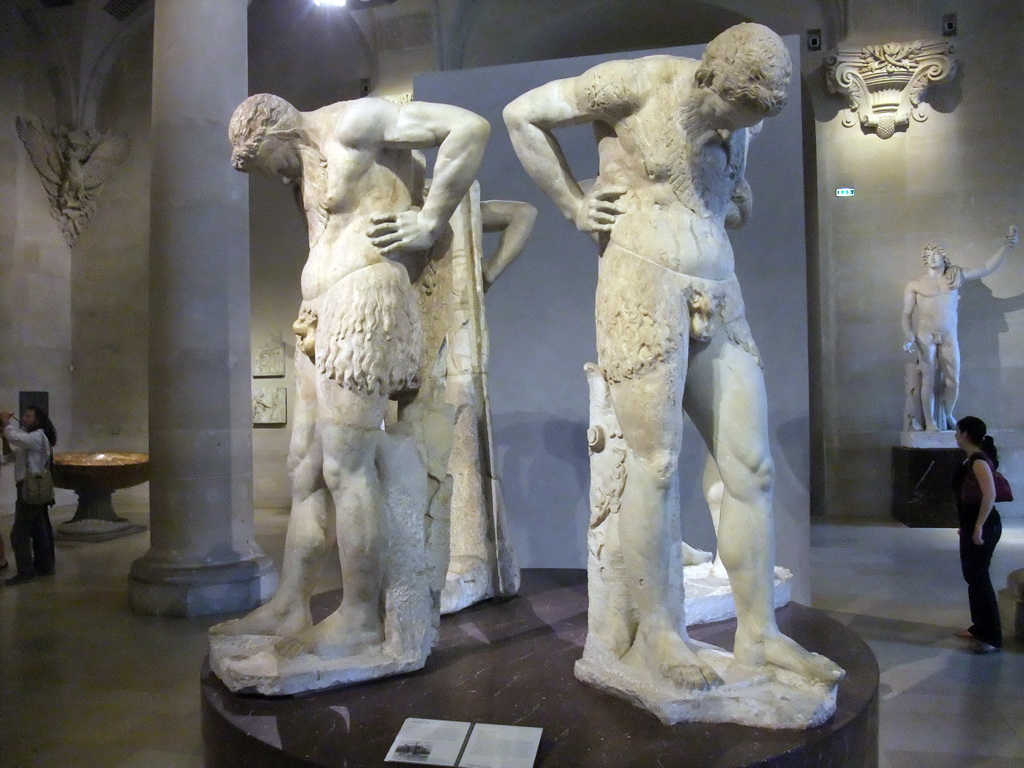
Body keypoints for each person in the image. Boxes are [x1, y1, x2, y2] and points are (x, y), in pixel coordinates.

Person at [504, 23, 842, 689]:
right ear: (709, 78)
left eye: (745, 124)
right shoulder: (635, 85)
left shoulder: (746, 117)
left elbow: (728, 195)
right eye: (729, 115)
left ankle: (759, 635)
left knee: (752, 468)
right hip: (641, 281)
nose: (731, 131)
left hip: (720, 290)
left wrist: (732, 193)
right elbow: (524, 114)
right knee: (654, 466)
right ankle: (661, 632)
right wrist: (574, 203)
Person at [210, 93, 488, 661]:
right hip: (318, 310)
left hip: (365, 300)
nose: (277, 178)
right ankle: (292, 602)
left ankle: (360, 618)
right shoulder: (307, 168)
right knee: (303, 466)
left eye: (269, 165)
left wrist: (430, 218)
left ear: (275, 133)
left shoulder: (356, 123)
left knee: (346, 464)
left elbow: (469, 127)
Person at [901, 227, 1018, 432]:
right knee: (927, 378)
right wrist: (909, 335)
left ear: (943, 255)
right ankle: (930, 422)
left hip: (948, 333)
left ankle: (946, 414)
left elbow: (987, 267)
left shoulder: (955, 275)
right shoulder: (915, 284)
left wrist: (1006, 247)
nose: (931, 258)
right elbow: (906, 314)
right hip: (925, 333)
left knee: (953, 380)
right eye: (927, 256)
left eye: (935, 253)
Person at [951, 416, 1003, 653]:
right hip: (972, 525)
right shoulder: (971, 459)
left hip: (985, 527)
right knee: (972, 576)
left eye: (957, 430)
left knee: (980, 578)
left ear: (965, 434)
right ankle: (979, 627)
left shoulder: (979, 461)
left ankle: (992, 637)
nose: (955, 434)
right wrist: (967, 524)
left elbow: (989, 495)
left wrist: (979, 526)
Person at [1, 406, 57, 585]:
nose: (24, 418)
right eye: (24, 415)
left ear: (39, 420)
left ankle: (25, 572)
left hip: (31, 489)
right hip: (32, 489)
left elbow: (15, 437)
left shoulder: (38, 436)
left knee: (18, 534)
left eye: (28, 416)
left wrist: (6, 423)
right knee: (38, 530)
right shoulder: (31, 439)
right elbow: (10, 457)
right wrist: (4, 439)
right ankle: (45, 566)